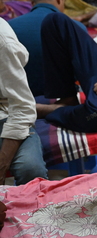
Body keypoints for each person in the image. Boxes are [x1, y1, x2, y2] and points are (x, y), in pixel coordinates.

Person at [9, 0, 86, 96]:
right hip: (61, 105)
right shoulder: (76, 28)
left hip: (16, 102)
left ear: (32, 3)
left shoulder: (8, 28)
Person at [0, 17, 48, 185]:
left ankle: (31, 208)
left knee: (31, 169)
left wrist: (2, 163)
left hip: (6, 113)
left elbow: (22, 107)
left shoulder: (2, 41)